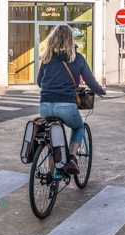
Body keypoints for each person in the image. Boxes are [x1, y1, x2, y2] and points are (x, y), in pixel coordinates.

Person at [35, 24, 105, 173]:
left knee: (52, 137)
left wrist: (51, 87)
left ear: (52, 38)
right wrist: (100, 91)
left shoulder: (47, 57)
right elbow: (91, 82)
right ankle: (72, 157)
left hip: (45, 106)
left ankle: (50, 172)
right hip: (66, 106)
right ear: (71, 39)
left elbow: (39, 82)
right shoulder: (77, 58)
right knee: (78, 126)